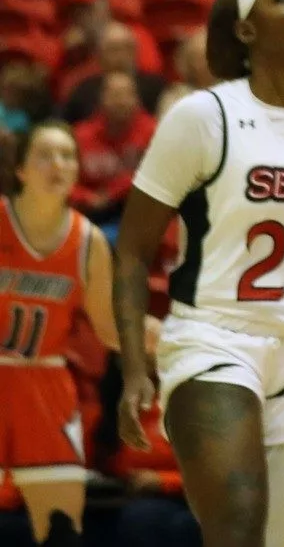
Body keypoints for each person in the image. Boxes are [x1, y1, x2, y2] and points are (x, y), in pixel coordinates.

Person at [112, 0, 284, 547]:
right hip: (216, 339)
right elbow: (132, 249)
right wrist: (135, 367)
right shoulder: (202, 116)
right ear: (246, 30)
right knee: (236, 530)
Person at [0, 123, 118, 543]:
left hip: (46, 387)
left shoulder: (89, 241)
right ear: (21, 171)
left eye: (68, 156)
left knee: (61, 534)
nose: (59, 165)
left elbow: (110, 330)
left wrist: (167, 334)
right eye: (45, 155)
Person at [111, 316, 202, 547]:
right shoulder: (111, 395)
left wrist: (162, 481)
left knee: (147, 519)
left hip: (192, 498)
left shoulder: (195, 398)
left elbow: (223, 472)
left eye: (152, 345)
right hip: (123, 495)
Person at [69, 68, 154, 223]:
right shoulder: (80, 136)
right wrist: (87, 197)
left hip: (137, 215)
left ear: (137, 98)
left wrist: (112, 193)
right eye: (114, 95)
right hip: (87, 213)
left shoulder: (153, 132)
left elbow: (154, 178)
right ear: (101, 98)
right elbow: (67, 182)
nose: (121, 101)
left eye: (127, 94)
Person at [60, 21, 168, 121]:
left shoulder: (156, 88)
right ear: (100, 55)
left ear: (135, 52)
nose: (120, 56)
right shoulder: (84, 91)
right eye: (113, 50)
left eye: (126, 48)